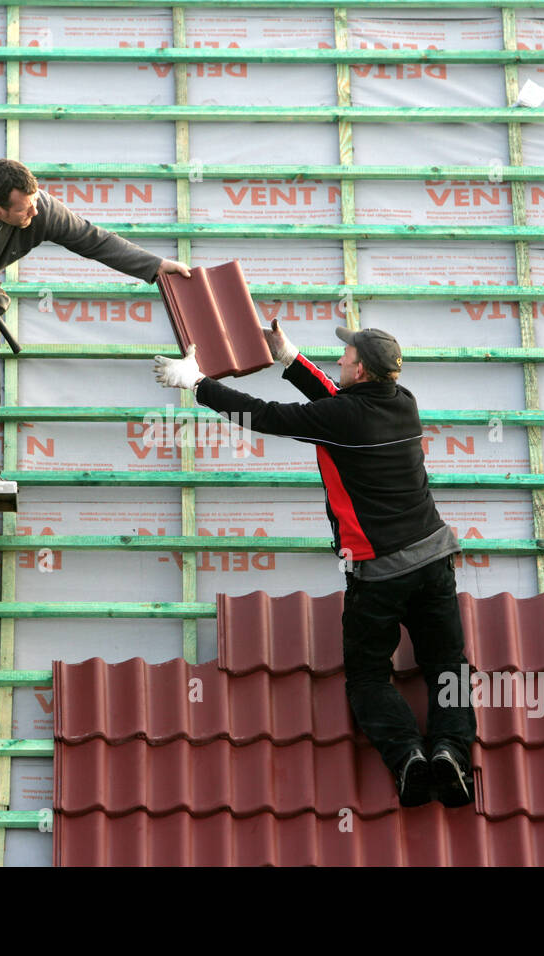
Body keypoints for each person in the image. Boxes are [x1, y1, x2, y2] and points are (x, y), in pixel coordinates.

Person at [153, 322, 478, 808]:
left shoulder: (342, 419)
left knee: (368, 676)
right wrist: (289, 358)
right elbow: (337, 400)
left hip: (380, 574)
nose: (341, 358)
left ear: (362, 368)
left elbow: (264, 415)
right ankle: (451, 752)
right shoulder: (402, 401)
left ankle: (408, 755)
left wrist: (197, 384)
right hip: (434, 558)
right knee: (448, 667)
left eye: (346, 354)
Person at [0, 158, 191, 480]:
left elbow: (93, 240)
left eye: (34, 203)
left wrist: (154, 266)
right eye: (24, 210)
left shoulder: (39, 208)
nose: (35, 213)